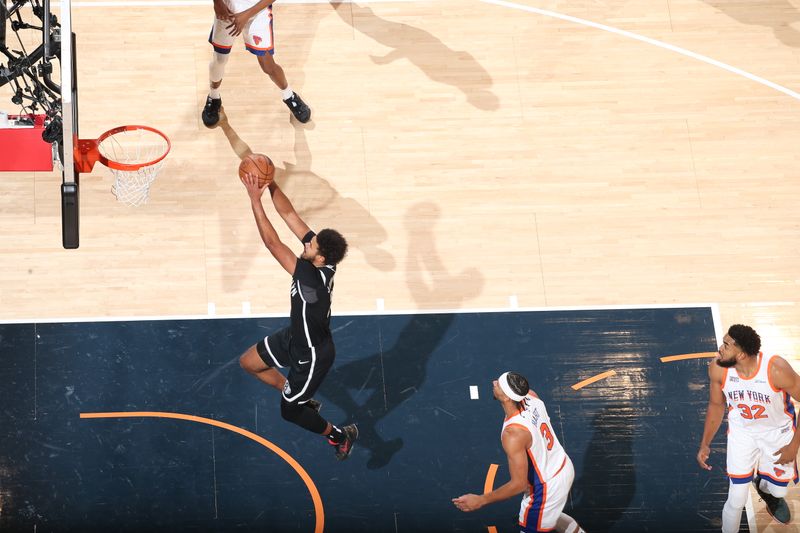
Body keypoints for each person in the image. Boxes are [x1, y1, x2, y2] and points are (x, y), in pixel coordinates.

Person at [238, 170, 356, 460]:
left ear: (320, 258)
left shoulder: (309, 277)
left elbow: (272, 243)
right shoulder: (323, 262)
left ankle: (339, 435)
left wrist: (255, 200)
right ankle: (302, 396)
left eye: (310, 245)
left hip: (312, 355)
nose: (306, 243)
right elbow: (290, 215)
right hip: (296, 336)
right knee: (249, 363)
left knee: (289, 411)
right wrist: (270, 183)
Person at [697, 324, 800, 530]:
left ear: (742, 355)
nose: (720, 348)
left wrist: (793, 447)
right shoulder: (718, 368)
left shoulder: (776, 369)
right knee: (736, 499)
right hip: (743, 432)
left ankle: (764, 485)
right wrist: (705, 444)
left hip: (777, 433)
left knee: (779, 492)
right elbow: (716, 406)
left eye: (726, 345)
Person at [453, 372, 584, 533]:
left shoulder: (513, 434)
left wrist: (481, 500)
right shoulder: (531, 396)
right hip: (562, 465)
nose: (494, 382)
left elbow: (518, 484)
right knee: (550, 515)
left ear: (507, 397)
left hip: (546, 486)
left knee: (534, 523)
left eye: (498, 384)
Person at [202, 0, 311, 127]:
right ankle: (214, 97)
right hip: (228, 9)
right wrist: (218, 3)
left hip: (257, 10)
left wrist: (246, 15)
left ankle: (289, 95)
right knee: (219, 59)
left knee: (268, 65)